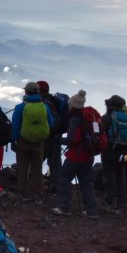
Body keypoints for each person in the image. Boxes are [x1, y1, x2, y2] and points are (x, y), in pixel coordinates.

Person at [52, 90, 100, 218]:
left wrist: (59, 140)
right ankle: (92, 211)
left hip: (76, 156)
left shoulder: (75, 119)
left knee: (64, 178)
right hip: (88, 155)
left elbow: (73, 140)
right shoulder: (88, 118)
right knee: (86, 182)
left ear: (73, 105)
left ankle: (63, 208)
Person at [10, 81, 53, 203]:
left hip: (23, 141)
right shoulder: (45, 107)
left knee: (22, 168)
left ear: (26, 92)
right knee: (37, 169)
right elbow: (50, 123)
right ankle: (38, 195)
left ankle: (23, 194)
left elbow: (15, 126)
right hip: (39, 142)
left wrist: (14, 140)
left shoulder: (20, 107)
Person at [100, 95, 127, 212]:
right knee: (120, 175)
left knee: (109, 176)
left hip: (109, 151)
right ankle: (121, 201)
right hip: (123, 151)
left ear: (110, 105)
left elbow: (101, 133)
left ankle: (109, 201)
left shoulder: (106, 118)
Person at [37, 81, 65, 193]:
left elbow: (50, 121)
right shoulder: (53, 100)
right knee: (55, 161)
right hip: (56, 135)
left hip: (48, 136)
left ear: (39, 91)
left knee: (40, 160)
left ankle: (51, 185)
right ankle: (55, 184)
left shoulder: (45, 103)